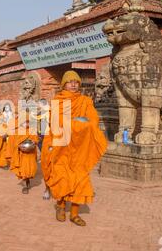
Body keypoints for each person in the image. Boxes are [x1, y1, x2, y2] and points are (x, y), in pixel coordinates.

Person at [41, 71, 108, 227]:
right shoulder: (58, 101)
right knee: (62, 177)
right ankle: (61, 207)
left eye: (76, 82)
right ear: (63, 84)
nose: (73, 84)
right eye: (70, 82)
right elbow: (57, 124)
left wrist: (74, 122)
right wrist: (79, 122)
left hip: (80, 148)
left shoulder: (85, 101)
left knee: (80, 179)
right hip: (61, 147)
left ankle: (75, 214)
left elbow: (93, 121)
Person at [8, 110, 39, 194]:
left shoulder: (32, 130)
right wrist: (18, 146)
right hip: (22, 154)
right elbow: (15, 143)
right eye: (24, 122)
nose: (26, 124)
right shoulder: (18, 131)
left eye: (28, 122)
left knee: (30, 169)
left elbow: (36, 140)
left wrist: (32, 142)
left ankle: (27, 180)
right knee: (23, 169)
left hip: (31, 153)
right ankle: (25, 185)